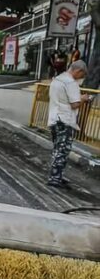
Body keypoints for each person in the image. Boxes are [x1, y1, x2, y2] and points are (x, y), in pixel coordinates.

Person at [47, 60, 93, 188]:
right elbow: (74, 104)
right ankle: (55, 178)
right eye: (82, 75)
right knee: (62, 150)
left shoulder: (57, 79)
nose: (81, 78)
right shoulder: (70, 83)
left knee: (57, 149)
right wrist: (83, 99)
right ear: (78, 71)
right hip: (64, 120)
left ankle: (57, 175)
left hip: (54, 119)